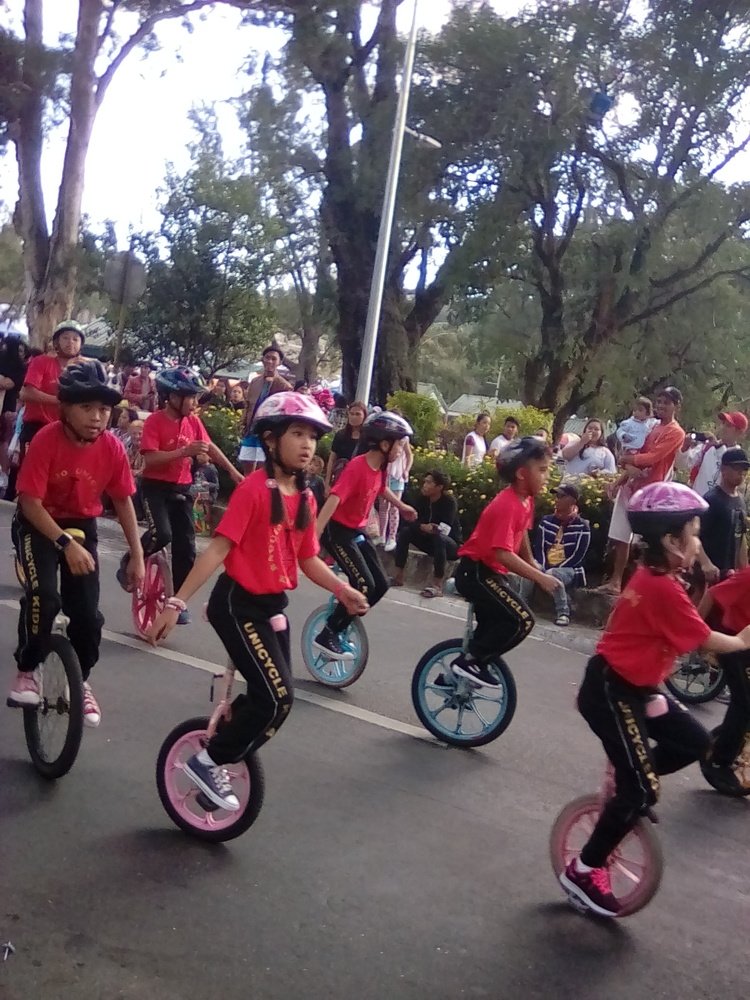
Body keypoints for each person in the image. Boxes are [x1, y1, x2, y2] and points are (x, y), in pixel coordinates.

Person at [146, 392, 368, 810]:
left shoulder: (305, 496)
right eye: (297, 434)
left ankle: (226, 741)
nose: (307, 444)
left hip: (271, 606)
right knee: (274, 697)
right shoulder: (253, 490)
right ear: (270, 439)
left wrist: (342, 590)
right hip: (237, 605)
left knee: (280, 703)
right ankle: (207, 761)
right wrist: (175, 604)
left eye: (313, 437)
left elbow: (307, 559)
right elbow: (217, 549)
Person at [559, 482, 750, 917]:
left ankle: (631, 783)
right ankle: (583, 872)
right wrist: (742, 640)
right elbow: (706, 639)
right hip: (611, 691)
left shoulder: (658, 577)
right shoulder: (660, 587)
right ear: (670, 540)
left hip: (638, 688)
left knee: (694, 742)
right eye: (694, 533)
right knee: (641, 788)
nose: (698, 541)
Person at [6, 361, 145, 725]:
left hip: (82, 524)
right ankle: (27, 668)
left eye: (104, 409)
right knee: (45, 597)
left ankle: (79, 680)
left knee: (87, 616)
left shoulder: (112, 447)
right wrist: (66, 544)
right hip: (38, 523)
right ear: (65, 408)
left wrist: (137, 555)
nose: (97, 417)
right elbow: (30, 503)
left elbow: (123, 500)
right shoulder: (45, 440)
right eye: (86, 407)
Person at [126, 366, 244, 624]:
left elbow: (210, 448)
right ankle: (131, 561)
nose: (194, 402)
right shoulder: (155, 422)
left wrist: (233, 472)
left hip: (182, 488)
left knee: (187, 548)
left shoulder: (193, 422)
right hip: (155, 487)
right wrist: (184, 452)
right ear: (172, 397)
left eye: (195, 397)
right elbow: (150, 459)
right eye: (190, 397)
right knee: (161, 534)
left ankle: (177, 601)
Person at [451, 437, 562, 687]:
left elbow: (521, 533)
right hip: (476, 573)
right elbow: (502, 553)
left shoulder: (526, 499)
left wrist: (531, 562)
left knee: (496, 626)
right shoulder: (507, 504)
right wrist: (539, 577)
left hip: (489, 573)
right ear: (522, 474)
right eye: (542, 470)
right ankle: (471, 662)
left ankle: (459, 673)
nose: (547, 476)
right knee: (522, 620)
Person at [314, 411, 417, 660]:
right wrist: (314, 533)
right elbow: (334, 499)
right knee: (363, 584)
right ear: (384, 444)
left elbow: (381, 488)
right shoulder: (357, 467)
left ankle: (342, 623)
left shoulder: (380, 468)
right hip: (337, 532)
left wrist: (401, 506)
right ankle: (328, 633)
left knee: (380, 585)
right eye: (400, 445)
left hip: (356, 531)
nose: (402, 451)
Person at [600, 386, 686, 595]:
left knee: (645, 543)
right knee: (621, 536)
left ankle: (640, 587)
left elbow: (652, 457)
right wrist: (619, 480)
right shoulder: (652, 426)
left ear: (676, 406)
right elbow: (639, 456)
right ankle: (616, 582)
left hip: (651, 493)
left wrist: (625, 459)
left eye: (666, 402)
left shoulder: (676, 432)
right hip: (632, 486)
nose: (661, 406)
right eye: (659, 401)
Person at [698, 568, 750, 794]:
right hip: (733, 645)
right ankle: (720, 761)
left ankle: (734, 739)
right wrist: (695, 632)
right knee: (744, 703)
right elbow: (712, 594)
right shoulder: (748, 576)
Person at [19, 319, 85, 460]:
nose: (70, 342)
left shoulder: (84, 370)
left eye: (75, 339)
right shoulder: (41, 362)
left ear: (81, 344)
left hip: (68, 431)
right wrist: (61, 400)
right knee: (29, 468)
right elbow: (26, 393)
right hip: (37, 428)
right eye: (65, 338)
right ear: (56, 342)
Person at [392, 470, 462, 598]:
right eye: (425, 482)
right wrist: (421, 527)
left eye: (429, 483)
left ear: (439, 487)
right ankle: (398, 576)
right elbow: (411, 521)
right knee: (405, 532)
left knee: (440, 538)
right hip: (428, 540)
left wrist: (433, 528)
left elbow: (446, 528)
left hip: (449, 546)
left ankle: (437, 585)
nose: (424, 485)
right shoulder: (422, 499)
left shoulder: (449, 502)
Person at [529, 484, 591, 626]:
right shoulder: (546, 521)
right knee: (529, 568)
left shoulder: (582, 526)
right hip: (545, 565)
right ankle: (522, 603)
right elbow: (539, 547)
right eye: (556, 496)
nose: (557, 499)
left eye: (561, 496)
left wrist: (551, 571)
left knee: (553, 574)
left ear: (573, 500)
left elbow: (578, 555)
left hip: (570, 569)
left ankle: (563, 612)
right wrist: (542, 568)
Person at [239, 345, 291, 473]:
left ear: (279, 362)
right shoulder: (255, 382)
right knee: (247, 465)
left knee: (263, 468)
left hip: (268, 432)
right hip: (251, 430)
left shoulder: (284, 386)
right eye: (267, 358)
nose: (270, 361)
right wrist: (243, 422)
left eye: (274, 359)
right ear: (262, 359)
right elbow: (248, 404)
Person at [700, 447, 749, 580]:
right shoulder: (711, 499)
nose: (741, 473)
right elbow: (693, 536)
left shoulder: (740, 500)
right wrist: (705, 563)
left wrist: (744, 572)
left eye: (744, 469)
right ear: (723, 469)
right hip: (710, 575)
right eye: (736, 468)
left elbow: (741, 537)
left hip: (730, 575)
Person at [678, 411, 748, 498]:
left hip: (719, 504)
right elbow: (681, 465)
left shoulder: (739, 458)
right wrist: (685, 447)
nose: (723, 427)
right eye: (723, 423)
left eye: (728, 426)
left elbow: (736, 486)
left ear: (739, 432)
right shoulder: (708, 447)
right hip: (697, 501)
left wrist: (718, 447)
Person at [377, 430, 413, 551]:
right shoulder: (385, 436)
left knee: (394, 507)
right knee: (383, 507)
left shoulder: (404, 439)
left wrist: (406, 470)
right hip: (385, 473)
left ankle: (392, 537)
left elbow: (409, 455)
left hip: (397, 475)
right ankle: (381, 535)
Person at [0, 335, 28, 479]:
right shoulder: (21, 367)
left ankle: (4, 474)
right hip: (9, 407)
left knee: (4, 440)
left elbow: (7, 384)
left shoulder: (19, 366)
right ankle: (4, 475)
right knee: (4, 440)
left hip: (6, 408)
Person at [323, 400, 367, 492]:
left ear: (364, 416)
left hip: (359, 483)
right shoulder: (341, 435)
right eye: (351, 414)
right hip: (341, 480)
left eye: (357, 414)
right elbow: (332, 459)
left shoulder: (368, 438)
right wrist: (327, 483)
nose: (354, 417)